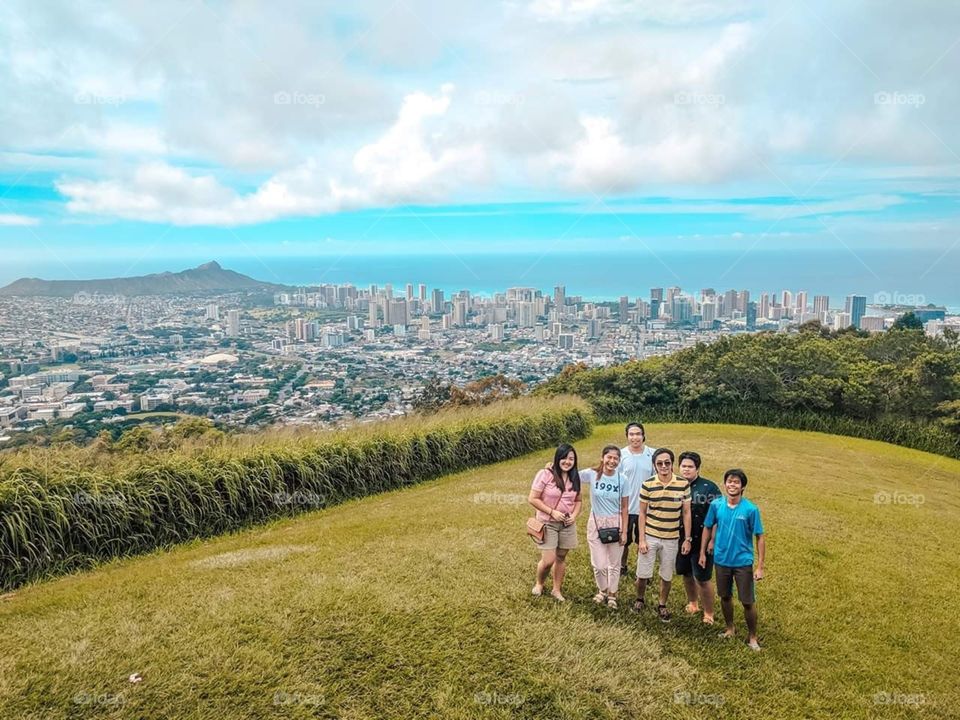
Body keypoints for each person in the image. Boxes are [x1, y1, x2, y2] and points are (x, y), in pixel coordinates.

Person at [700, 468, 766, 651]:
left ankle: (753, 637)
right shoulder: (716, 505)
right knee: (725, 596)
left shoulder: (751, 509)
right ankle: (730, 629)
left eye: (736, 482)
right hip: (721, 560)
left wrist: (760, 567)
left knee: (747, 601)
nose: (732, 485)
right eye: (729, 481)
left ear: (743, 486)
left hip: (742, 562)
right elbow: (708, 527)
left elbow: (760, 536)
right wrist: (703, 552)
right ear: (725, 484)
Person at [634, 448, 692, 623]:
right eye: (659, 463)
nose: (664, 466)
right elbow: (642, 513)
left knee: (666, 575)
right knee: (642, 573)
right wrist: (642, 539)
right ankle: (639, 599)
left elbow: (686, 513)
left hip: (671, 537)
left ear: (672, 464)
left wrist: (687, 539)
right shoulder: (648, 484)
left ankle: (662, 604)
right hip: (650, 535)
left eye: (667, 462)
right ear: (654, 465)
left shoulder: (683, 485)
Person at [528, 443, 582, 601]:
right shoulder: (545, 474)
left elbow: (578, 501)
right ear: (557, 458)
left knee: (561, 557)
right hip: (547, 522)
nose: (567, 461)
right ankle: (539, 583)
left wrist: (574, 515)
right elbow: (532, 498)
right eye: (564, 458)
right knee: (548, 560)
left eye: (571, 459)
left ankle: (556, 590)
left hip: (567, 524)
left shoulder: (574, 477)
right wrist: (552, 512)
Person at [578, 445, 629, 608]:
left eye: (616, 458)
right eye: (609, 457)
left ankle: (612, 594)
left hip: (616, 522)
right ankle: (602, 590)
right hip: (596, 522)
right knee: (599, 564)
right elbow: (570, 475)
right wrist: (552, 467)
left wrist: (624, 530)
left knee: (614, 563)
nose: (612, 461)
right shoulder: (592, 475)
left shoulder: (623, 479)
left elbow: (625, 507)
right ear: (602, 457)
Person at [675, 451, 722, 624]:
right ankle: (693, 603)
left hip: (702, 540)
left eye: (690, 467)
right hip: (680, 539)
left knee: (702, 578)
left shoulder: (709, 488)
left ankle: (709, 612)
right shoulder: (675, 485)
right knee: (686, 574)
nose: (686, 470)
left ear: (697, 468)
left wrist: (712, 540)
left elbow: (717, 516)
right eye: (683, 466)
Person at [619, 422, 656, 577]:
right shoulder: (621, 455)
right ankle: (622, 566)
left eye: (638, 434)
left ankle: (644, 571)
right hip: (626, 507)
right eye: (631, 434)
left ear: (643, 435)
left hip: (647, 508)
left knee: (645, 541)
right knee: (623, 541)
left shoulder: (652, 454)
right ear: (627, 436)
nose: (635, 437)